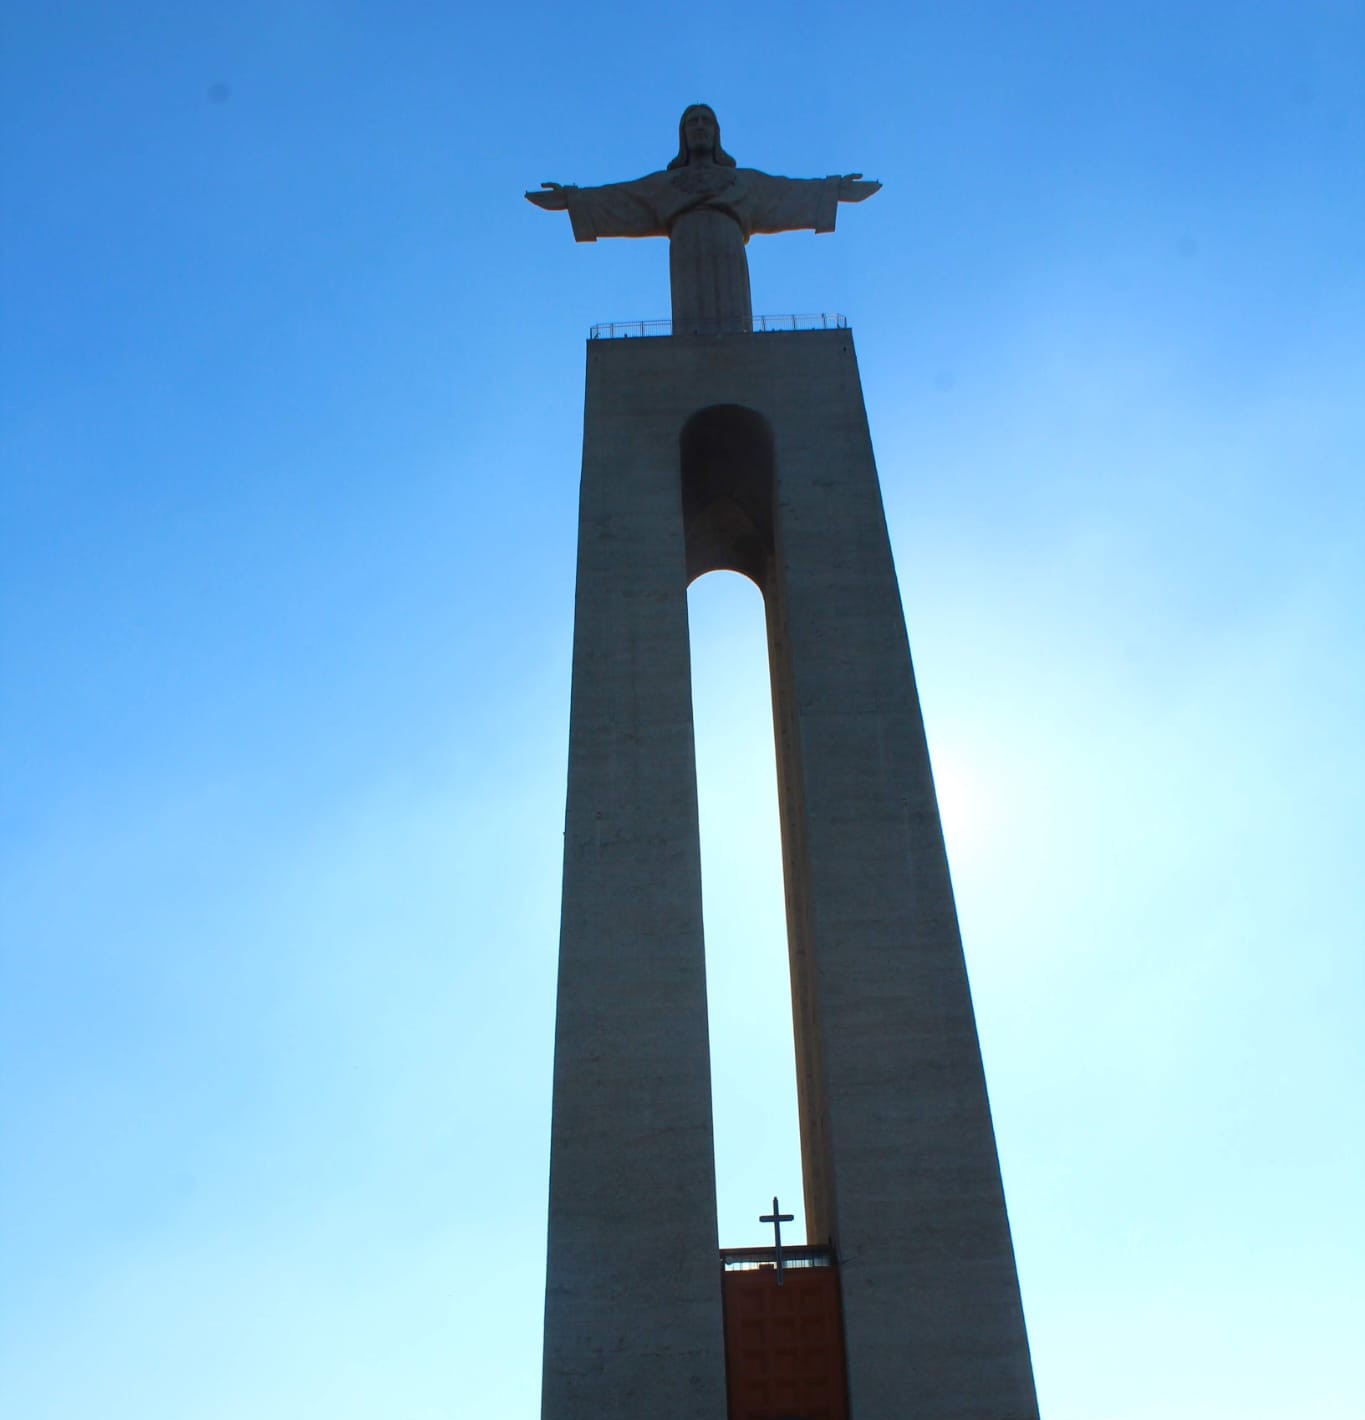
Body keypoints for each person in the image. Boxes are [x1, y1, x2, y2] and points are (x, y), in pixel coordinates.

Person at [526, 104, 880, 333]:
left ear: (716, 133)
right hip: (685, 248)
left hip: (729, 244)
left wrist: (832, 191)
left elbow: (785, 192)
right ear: (682, 135)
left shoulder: (743, 181)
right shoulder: (665, 185)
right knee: (692, 323)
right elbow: (621, 197)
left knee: (734, 325)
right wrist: (573, 199)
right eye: (692, 122)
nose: (699, 127)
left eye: (706, 122)